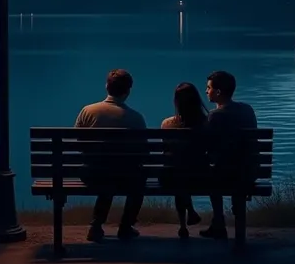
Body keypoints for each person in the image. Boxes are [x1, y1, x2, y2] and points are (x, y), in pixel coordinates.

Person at [74, 69, 146, 242]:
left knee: (105, 174)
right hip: (125, 176)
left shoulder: (88, 111)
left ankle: (96, 225)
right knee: (136, 178)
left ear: (107, 86)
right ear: (128, 91)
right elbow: (144, 153)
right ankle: (126, 226)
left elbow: (77, 142)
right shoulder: (136, 118)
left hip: (92, 175)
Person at [200, 70, 258, 240]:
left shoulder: (215, 116)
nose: (206, 91)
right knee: (228, 173)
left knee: (213, 175)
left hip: (225, 174)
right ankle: (237, 233)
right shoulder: (247, 110)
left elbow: (206, 146)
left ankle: (219, 223)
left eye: (208, 88)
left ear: (218, 92)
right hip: (249, 172)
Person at [161, 82, 208, 238]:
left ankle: (183, 225)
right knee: (184, 171)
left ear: (176, 101)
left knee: (178, 172)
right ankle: (193, 213)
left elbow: (166, 151)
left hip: (171, 178)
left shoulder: (167, 124)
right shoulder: (206, 123)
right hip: (201, 177)